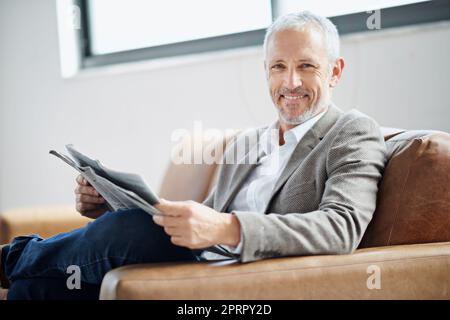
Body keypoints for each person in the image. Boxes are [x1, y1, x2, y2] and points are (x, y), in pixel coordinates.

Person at [0, 11, 386, 300]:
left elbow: (341, 227)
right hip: (202, 257)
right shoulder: (247, 143)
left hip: (251, 274)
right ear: (265, 72)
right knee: (42, 289)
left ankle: (9, 260)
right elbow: (206, 218)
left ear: (334, 72)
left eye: (306, 66)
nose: (290, 82)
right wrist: (109, 206)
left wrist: (227, 228)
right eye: (278, 67)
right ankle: (20, 272)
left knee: (129, 229)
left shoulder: (352, 132)